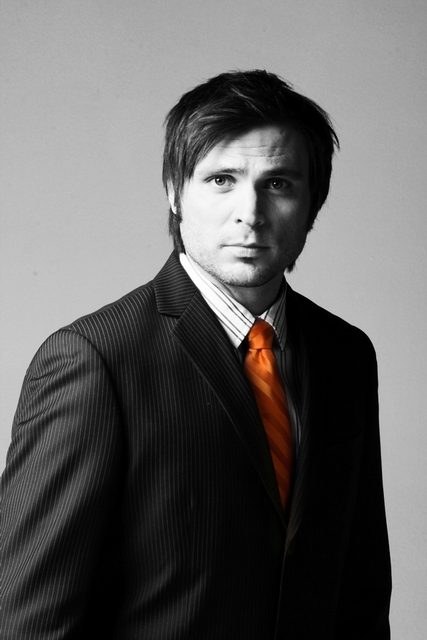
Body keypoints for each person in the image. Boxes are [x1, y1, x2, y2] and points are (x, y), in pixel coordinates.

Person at [0, 70, 391, 639]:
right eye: (221, 179)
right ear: (174, 191)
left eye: (278, 184)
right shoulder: (93, 361)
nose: (250, 212)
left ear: (313, 203)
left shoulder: (346, 355)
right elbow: (29, 622)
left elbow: (360, 592)